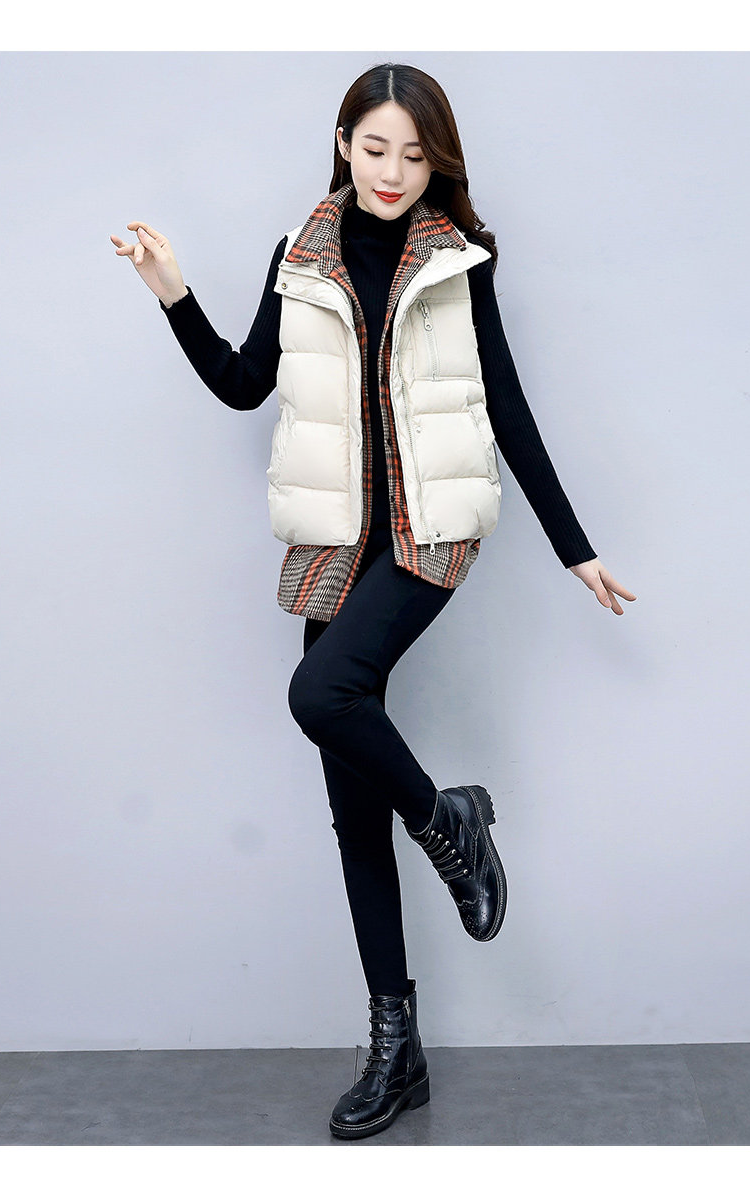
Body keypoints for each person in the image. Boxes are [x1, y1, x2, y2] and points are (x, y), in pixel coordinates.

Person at [111, 61, 636, 1141]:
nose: (393, 171)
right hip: (335, 542)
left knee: (321, 693)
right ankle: (398, 1048)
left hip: (427, 530)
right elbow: (243, 383)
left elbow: (505, 402)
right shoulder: (299, 254)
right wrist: (172, 292)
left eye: (415, 154)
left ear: (437, 163)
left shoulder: (456, 260)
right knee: (352, 804)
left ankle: (448, 819)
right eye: (376, 147)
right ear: (344, 142)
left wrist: (573, 546)